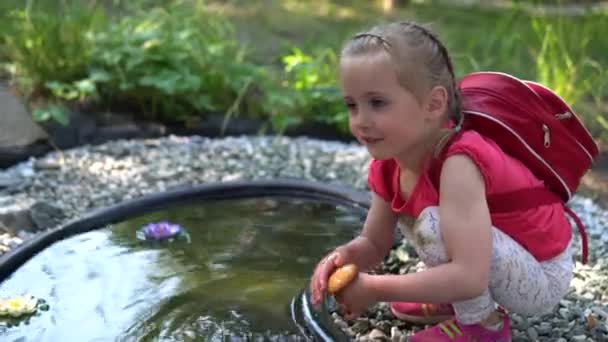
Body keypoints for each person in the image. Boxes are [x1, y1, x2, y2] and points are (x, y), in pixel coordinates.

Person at [309, 21, 575, 341]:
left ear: (433, 105)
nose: (361, 121)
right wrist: (343, 258)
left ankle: (482, 327)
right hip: (490, 256)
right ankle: (454, 302)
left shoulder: (459, 163)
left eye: (377, 103)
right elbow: (374, 243)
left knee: (433, 224)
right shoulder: (390, 165)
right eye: (352, 105)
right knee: (430, 222)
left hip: (541, 272)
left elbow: (470, 275)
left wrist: (375, 288)